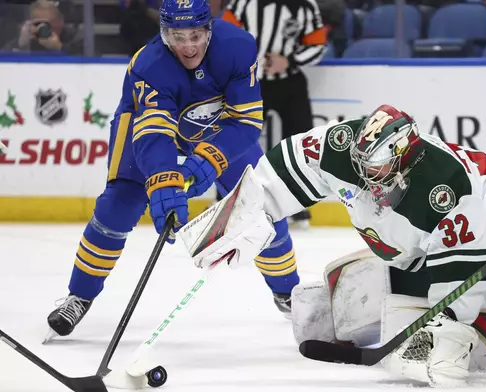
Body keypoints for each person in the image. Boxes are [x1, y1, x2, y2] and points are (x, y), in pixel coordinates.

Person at [180, 104, 486, 386]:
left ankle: (468, 321)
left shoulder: (444, 187)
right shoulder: (342, 145)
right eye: (361, 163)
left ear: (403, 155)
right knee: (313, 316)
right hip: (416, 250)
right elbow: (284, 169)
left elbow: (462, 262)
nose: (363, 176)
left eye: (374, 168)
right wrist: (240, 221)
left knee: (440, 351)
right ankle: (417, 295)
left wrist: (448, 324)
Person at [44, 0, 301, 341]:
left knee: (260, 205)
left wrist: (210, 159)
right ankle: (79, 295)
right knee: (118, 205)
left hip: (217, 127)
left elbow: (246, 120)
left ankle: (290, 294)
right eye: (178, 36)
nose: (188, 45)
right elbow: (154, 135)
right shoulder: (148, 65)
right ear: (163, 33)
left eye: (196, 35)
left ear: (209, 28)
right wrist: (164, 183)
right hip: (144, 126)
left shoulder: (239, 46)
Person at [222, 0, 327, 228]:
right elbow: (223, 37)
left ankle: (299, 206)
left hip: (290, 82)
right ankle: (227, 201)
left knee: (304, 144)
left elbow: (317, 44)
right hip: (249, 82)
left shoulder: (305, 5)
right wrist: (249, 63)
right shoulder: (243, 3)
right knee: (236, 140)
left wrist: (288, 61)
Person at [2, 0, 83, 54]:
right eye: (38, 23)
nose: (43, 27)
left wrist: (60, 48)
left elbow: (84, 64)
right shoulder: (28, 39)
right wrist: (20, 45)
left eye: (48, 23)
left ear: (60, 22)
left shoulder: (74, 37)